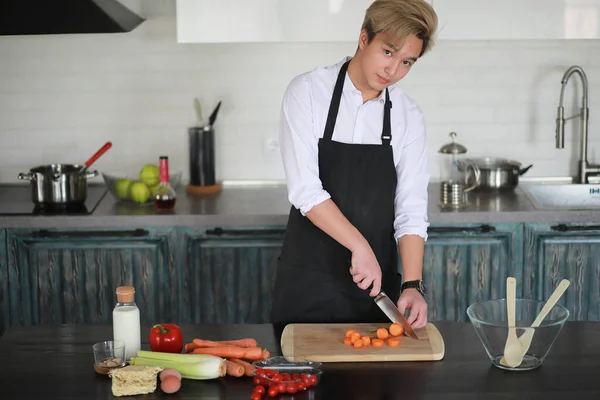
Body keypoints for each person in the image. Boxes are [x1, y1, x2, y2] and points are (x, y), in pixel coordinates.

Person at [270, 0, 438, 329]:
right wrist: (360, 246)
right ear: (364, 38)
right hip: (308, 282)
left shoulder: (408, 116)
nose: (394, 70)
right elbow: (305, 189)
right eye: (388, 52)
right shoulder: (307, 92)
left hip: (374, 287)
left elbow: (411, 207)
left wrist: (412, 285)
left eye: (407, 62)